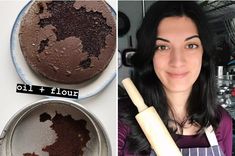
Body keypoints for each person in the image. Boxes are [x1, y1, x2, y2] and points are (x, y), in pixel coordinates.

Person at [118, 1, 233, 156]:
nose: (177, 61)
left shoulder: (221, 122)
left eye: (191, 45)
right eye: (163, 47)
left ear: (203, 54)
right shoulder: (121, 119)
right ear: (150, 55)